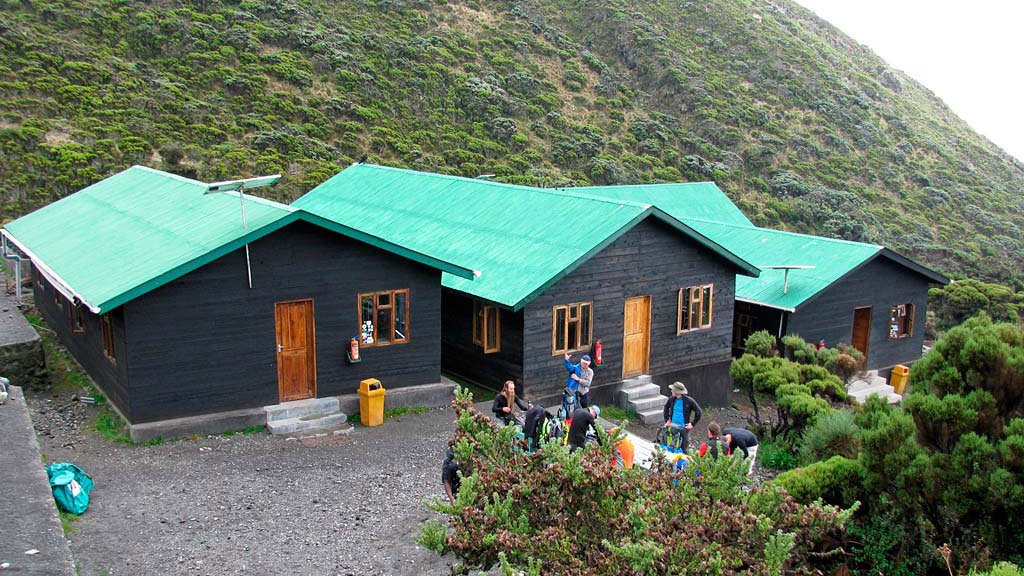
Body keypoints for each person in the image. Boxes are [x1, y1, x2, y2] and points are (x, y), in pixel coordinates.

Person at [662, 381, 702, 453]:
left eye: (673, 390)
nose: (671, 391)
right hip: (672, 427)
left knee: (684, 448)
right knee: (670, 446)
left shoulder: (689, 401)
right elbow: (666, 407)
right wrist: (667, 419)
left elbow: (699, 412)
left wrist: (692, 424)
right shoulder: (671, 399)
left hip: (684, 428)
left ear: (677, 392)